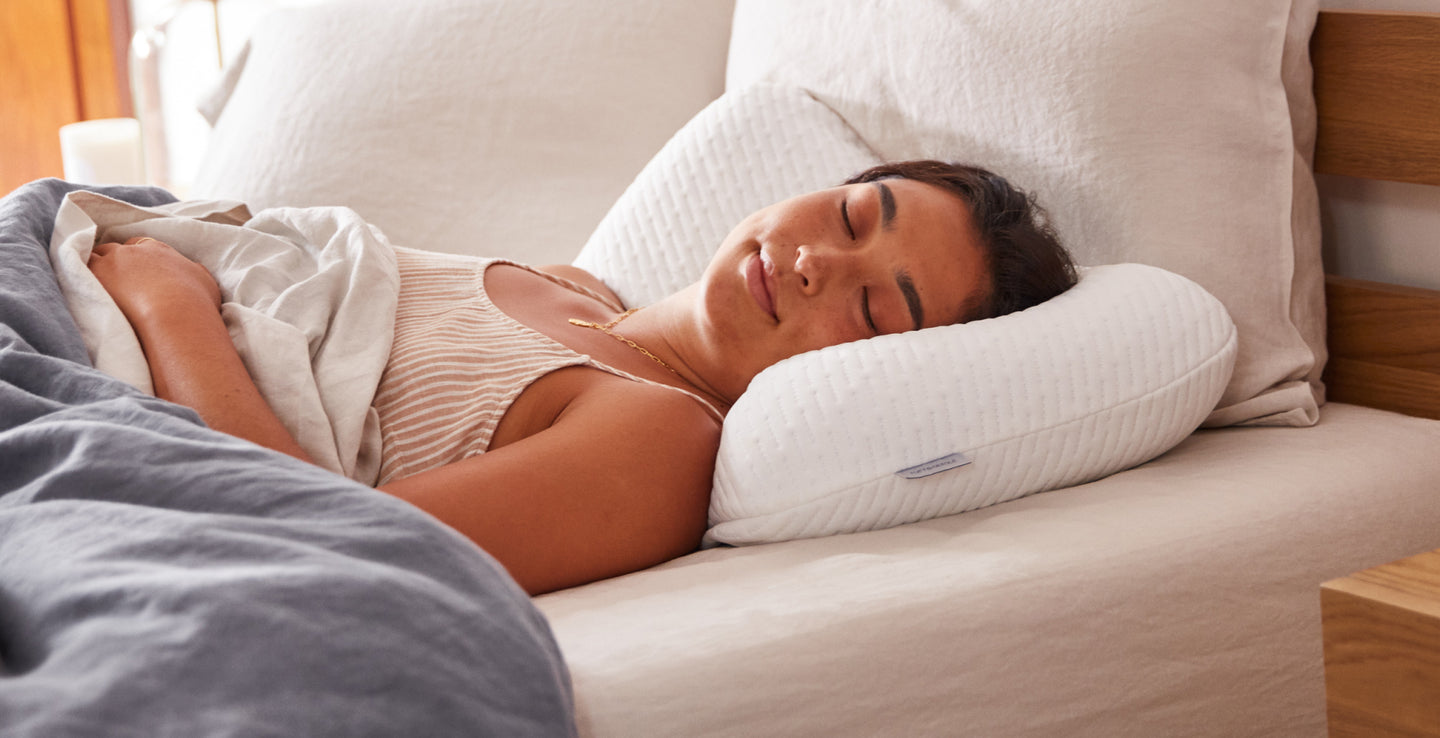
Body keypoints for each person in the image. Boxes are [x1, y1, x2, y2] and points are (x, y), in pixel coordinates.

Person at [87, 160, 1076, 595]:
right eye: (855, 217)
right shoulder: (572, 286)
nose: (820, 261)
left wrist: (173, 309)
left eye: (871, 308)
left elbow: (314, 542)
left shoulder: (660, 437)